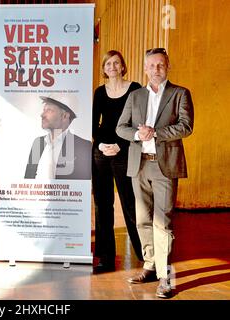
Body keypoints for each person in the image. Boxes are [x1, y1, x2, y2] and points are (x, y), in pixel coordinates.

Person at [116, 48, 194, 298]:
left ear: (167, 66)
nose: (156, 70)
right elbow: (121, 127)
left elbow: (186, 126)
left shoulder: (180, 93)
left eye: (160, 65)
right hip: (138, 165)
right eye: (151, 65)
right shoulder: (135, 96)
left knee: (164, 222)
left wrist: (156, 132)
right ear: (145, 68)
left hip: (165, 166)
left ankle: (166, 276)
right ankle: (149, 265)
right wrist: (139, 134)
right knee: (142, 219)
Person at [92, 50, 143, 273]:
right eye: (108, 64)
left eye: (116, 63)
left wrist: (121, 145)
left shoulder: (135, 89)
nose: (112, 66)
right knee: (103, 206)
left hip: (125, 150)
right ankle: (105, 258)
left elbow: (140, 122)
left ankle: (145, 253)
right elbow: (94, 124)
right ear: (104, 69)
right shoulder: (100, 92)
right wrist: (101, 145)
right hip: (101, 152)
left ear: (123, 66)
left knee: (130, 203)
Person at [24, 94, 92, 180]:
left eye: (49, 110)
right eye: (44, 110)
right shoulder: (38, 143)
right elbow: (28, 179)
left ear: (65, 116)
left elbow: (81, 186)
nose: (42, 115)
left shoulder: (83, 146)